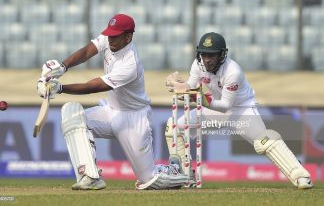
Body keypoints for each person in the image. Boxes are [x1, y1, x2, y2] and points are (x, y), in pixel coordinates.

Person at [37, 13, 188, 190]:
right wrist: (62, 67)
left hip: (134, 119)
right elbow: (87, 51)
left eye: (115, 35)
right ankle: (90, 176)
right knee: (72, 115)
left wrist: (60, 88)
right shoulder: (110, 39)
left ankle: (178, 171)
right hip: (111, 112)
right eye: (109, 34)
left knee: (148, 181)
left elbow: (93, 86)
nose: (110, 39)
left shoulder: (130, 63)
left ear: (128, 36)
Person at [165, 32, 313, 189]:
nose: (207, 59)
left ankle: (301, 175)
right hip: (214, 108)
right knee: (174, 127)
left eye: (212, 55)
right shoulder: (197, 64)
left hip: (241, 110)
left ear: (222, 54)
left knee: (264, 141)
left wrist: (199, 98)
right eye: (204, 54)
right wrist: (178, 86)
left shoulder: (233, 72)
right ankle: (186, 176)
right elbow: (192, 90)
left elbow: (225, 106)